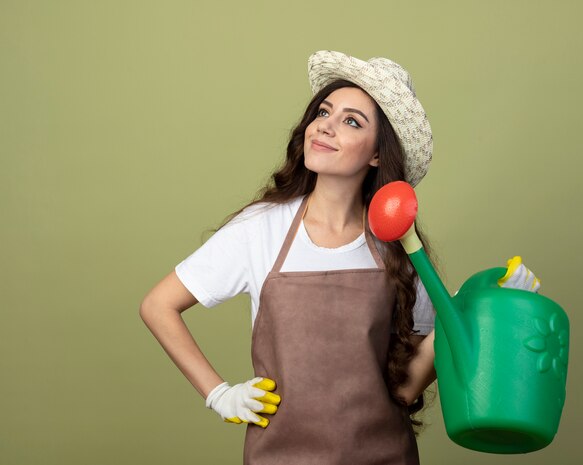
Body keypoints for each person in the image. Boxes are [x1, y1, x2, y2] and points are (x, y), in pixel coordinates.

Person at [139, 50, 539, 464]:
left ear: (377, 155)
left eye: (351, 121)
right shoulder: (261, 228)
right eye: (324, 112)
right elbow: (158, 305)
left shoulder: (398, 245)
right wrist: (218, 393)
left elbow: (405, 388)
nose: (325, 127)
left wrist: (477, 308)